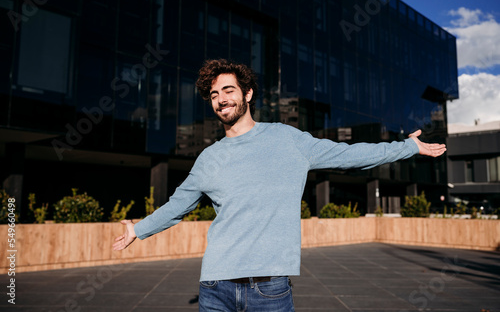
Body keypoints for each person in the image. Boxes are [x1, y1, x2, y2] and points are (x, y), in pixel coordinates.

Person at [113, 59, 446, 311]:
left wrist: (407, 147)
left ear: (247, 93)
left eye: (228, 90)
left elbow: (348, 154)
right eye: (214, 94)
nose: (220, 99)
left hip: (269, 288)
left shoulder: (287, 139)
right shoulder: (208, 158)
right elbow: (176, 207)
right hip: (214, 285)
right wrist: (137, 229)